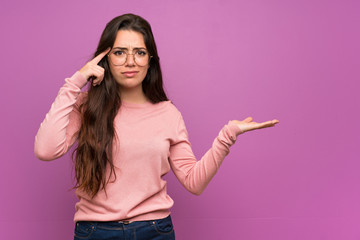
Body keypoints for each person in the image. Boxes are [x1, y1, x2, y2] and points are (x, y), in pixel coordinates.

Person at [34, 13, 279, 240]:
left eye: (139, 52)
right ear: (104, 59)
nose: (130, 61)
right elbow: (46, 150)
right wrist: (76, 81)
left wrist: (227, 136)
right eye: (119, 52)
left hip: (154, 230)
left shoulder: (167, 113)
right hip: (95, 231)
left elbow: (194, 182)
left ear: (150, 60)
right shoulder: (85, 106)